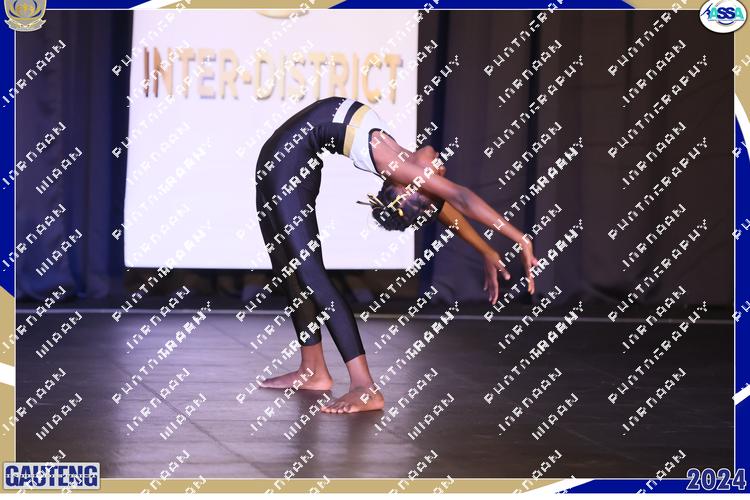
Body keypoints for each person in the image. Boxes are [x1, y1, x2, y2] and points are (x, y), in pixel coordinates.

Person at [254, 96, 539, 414]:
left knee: (309, 274)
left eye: (435, 179)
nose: (440, 169)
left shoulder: (397, 166)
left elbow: (457, 199)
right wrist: (492, 247)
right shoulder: (400, 161)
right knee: (290, 270)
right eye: (437, 177)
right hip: (280, 162)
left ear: (408, 188)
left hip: (285, 167)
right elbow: (450, 203)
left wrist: (515, 239)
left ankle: (364, 387)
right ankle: (312, 369)